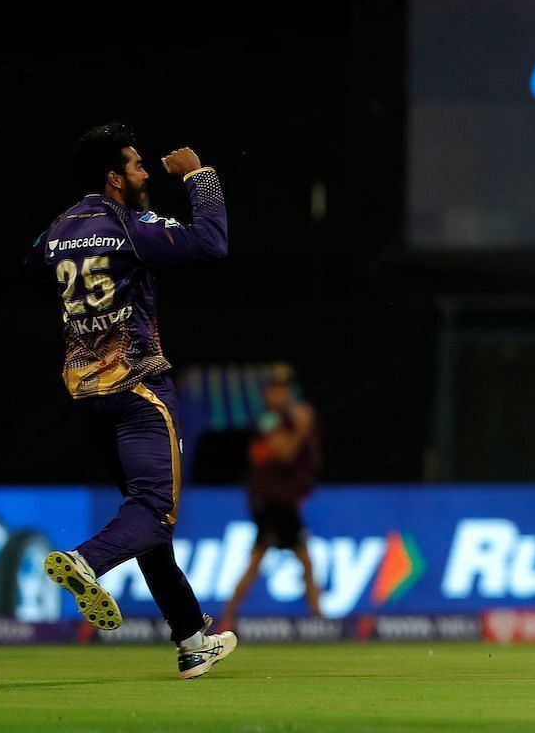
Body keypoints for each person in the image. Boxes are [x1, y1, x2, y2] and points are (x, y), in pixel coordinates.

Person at [26, 122, 236, 678]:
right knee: (154, 511)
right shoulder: (127, 223)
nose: (147, 174)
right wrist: (199, 177)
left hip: (87, 396)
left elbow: (36, 263)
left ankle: (192, 639)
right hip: (139, 391)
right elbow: (211, 242)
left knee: (148, 522)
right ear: (115, 178)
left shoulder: (58, 228)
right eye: (138, 166)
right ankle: (85, 561)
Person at [221, 364, 323, 627]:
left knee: (288, 558)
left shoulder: (288, 418)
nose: (280, 395)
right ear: (268, 393)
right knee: (284, 559)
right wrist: (302, 428)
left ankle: (230, 614)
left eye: (285, 389)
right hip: (270, 501)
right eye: (276, 390)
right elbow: (285, 453)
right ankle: (317, 617)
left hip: (283, 500)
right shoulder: (268, 420)